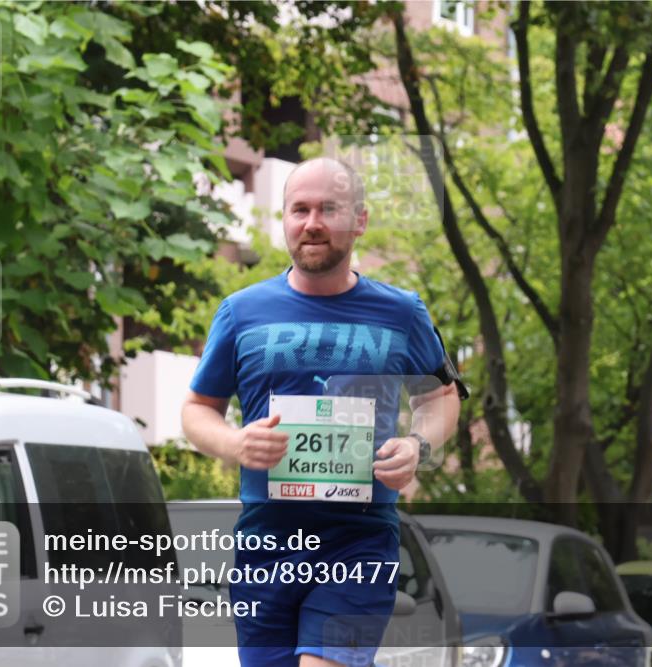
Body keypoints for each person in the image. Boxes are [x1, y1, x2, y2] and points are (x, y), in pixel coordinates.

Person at [181, 157, 464, 667]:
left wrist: (418, 446)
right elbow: (198, 409)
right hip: (265, 544)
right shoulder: (241, 311)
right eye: (300, 210)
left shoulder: (402, 313)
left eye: (328, 209)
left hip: (358, 540)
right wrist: (234, 443)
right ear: (285, 221)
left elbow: (441, 398)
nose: (312, 223)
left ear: (359, 220)